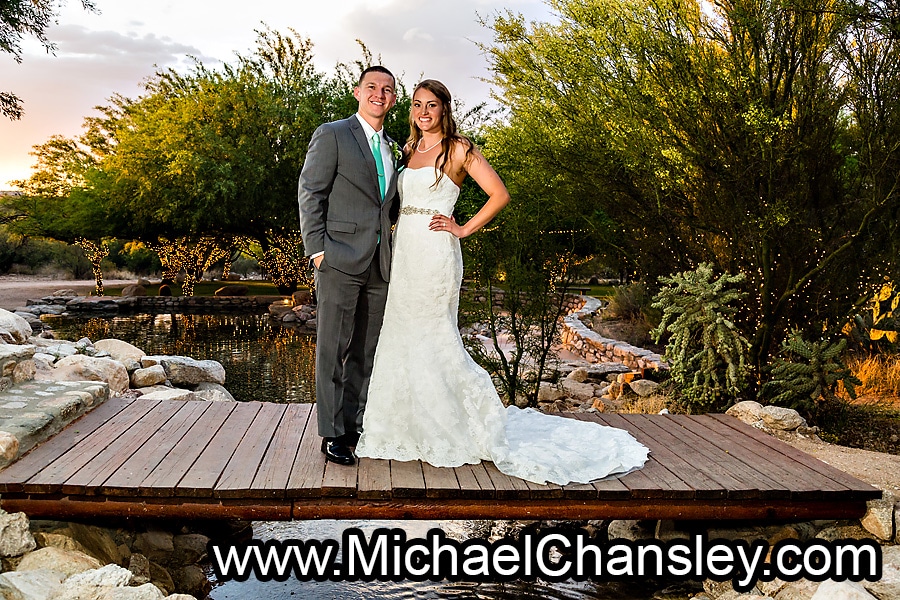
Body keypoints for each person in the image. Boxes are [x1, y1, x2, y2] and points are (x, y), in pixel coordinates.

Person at [355, 80, 649, 485]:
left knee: (435, 335)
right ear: (411, 111)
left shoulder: (460, 149)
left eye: (432, 105)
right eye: (418, 105)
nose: (424, 112)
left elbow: (499, 194)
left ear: (444, 109)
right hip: (404, 252)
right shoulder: (406, 150)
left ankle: (455, 427)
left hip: (436, 253)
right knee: (402, 335)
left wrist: (463, 229)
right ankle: (405, 428)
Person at [298, 66, 401, 466]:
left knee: (365, 350)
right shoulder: (333, 133)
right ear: (357, 92)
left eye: (387, 89)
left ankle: (355, 426)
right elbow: (310, 192)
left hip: (380, 262)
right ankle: (333, 433)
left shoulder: (395, 147)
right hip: (338, 257)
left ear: (393, 99)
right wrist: (317, 250)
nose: (380, 94)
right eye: (372, 87)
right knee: (333, 349)